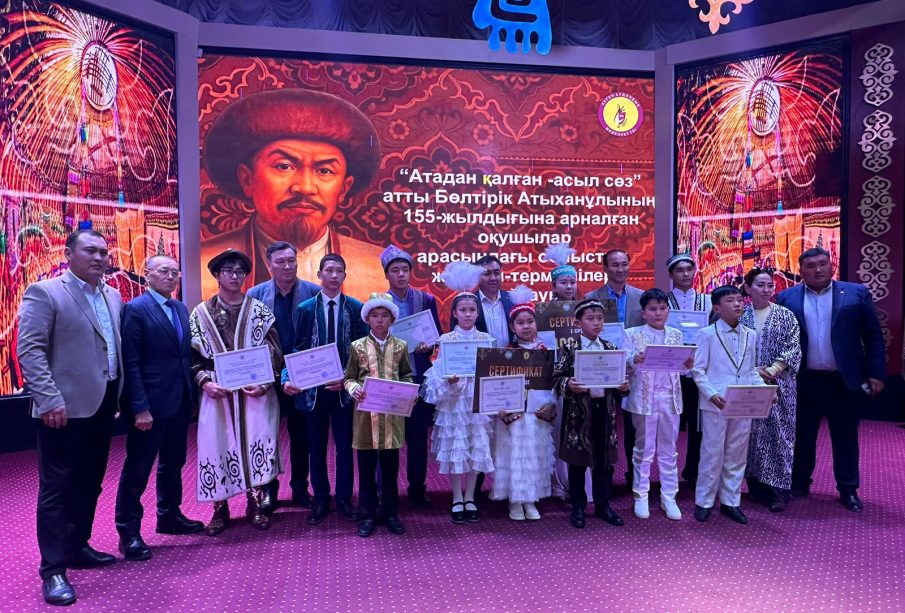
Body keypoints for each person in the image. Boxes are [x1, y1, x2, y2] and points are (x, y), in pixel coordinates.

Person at [17, 230, 122, 606]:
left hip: (103, 403)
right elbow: (30, 350)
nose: (99, 258)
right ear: (68, 253)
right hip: (61, 409)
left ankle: (77, 546)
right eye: (90, 251)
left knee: (90, 482)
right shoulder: (45, 292)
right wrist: (48, 400)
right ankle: (53, 569)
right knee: (57, 489)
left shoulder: (112, 294)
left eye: (103, 252)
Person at [200, 89, 385, 300]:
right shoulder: (202, 266)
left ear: (344, 188)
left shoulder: (379, 271)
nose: (305, 187)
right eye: (284, 166)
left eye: (324, 171)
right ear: (247, 179)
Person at [775, 248, 885, 511]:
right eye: (810, 266)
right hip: (804, 379)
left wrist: (876, 373)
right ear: (801, 271)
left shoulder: (856, 293)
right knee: (802, 435)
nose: (818, 270)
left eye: (822, 264)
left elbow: (873, 336)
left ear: (832, 265)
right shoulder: (787, 297)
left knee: (845, 436)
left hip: (843, 379)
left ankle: (848, 488)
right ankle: (800, 483)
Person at [114, 255, 204, 563]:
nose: (170, 276)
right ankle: (128, 533)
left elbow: (183, 357)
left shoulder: (180, 308)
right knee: (137, 470)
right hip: (149, 407)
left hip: (179, 402)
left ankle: (169, 516)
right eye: (163, 271)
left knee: (173, 463)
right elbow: (131, 362)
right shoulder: (135, 309)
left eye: (175, 272)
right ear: (147, 274)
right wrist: (139, 408)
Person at [190, 248, 283, 535]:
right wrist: (205, 382)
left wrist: (264, 383)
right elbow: (191, 356)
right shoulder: (200, 313)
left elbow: (275, 351)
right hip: (217, 391)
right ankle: (220, 508)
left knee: (256, 441)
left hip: (254, 391)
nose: (234, 276)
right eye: (228, 271)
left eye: (240, 272)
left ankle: (255, 503)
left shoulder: (259, 311)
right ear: (217, 275)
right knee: (217, 444)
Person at [282, 254, 368, 524]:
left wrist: (348, 379)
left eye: (339, 271)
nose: (333, 275)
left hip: (344, 391)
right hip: (313, 391)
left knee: (345, 447)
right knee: (315, 447)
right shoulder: (306, 309)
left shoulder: (356, 308)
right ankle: (320, 498)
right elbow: (296, 348)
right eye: (328, 270)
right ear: (319, 275)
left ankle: (343, 498)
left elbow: (362, 351)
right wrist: (287, 376)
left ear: (344, 276)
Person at [247, 241, 319, 512]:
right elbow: (249, 340)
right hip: (268, 376)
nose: (287, 266)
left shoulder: (313, 292)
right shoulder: (254, 295)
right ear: (269, 265)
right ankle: (268, 490)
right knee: (267, 434)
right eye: (280, 262)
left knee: (302, 435)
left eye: (291, 260)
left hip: (302, 376)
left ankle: (300, 488)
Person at [425, 262, 495, 524]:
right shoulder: (445, 341)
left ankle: (470, 496)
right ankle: (456, 496)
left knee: (476, 447)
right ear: (454, 313)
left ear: (477, 313)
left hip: (477, 403)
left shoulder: (486, 341)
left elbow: (493, 374)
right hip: (454, 403)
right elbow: (435, 377)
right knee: (456, 447)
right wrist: (448, 381)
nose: (467, 314)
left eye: (472, 310)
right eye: (463, 310)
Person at [553, 298, 629, 529]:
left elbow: (620, 381)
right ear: (578, 323)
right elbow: (556, 378)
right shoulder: (570, 348)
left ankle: (603, 505)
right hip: (578, 415)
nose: (596, 323)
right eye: (590, 318)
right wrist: (568, 384)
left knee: (603, 462)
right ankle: (578, 506)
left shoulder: (611, 348)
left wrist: (623, 387)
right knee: (578, 462)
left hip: (605, 413)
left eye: (600, 318)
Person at [691, 285, 765, 525]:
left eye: (740, 300)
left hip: (743, 403)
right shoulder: (707, 334)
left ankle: (731, 502)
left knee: (737, 454)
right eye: (731, 301)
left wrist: (764, 392)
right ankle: (704, 501)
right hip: (717, 403)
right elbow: (698, 370)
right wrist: (711, 394)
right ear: (716, 308)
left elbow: (751, 370)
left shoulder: (750, 334)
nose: (737, 304)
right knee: (712, 453)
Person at [343, 293, 413, 537]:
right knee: (366, 469)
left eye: (384, 315)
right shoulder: (357, 346)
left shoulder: (401, 346)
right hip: (365, 417)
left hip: (392, 418)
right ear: (367, 319)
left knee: (391, 469)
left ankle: (390, 512)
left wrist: (410, 392)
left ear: (392, 319)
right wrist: (354, 389)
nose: (380, 320)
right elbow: (349, 377)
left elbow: (406, 375)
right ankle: (368, 513)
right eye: (375, 315)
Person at [623, 288, 694, 521]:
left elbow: (680, 370)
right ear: (643, 313)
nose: (658, 313)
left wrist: (687, 364)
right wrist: (634, 359)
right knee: (643, 449)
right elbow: (623, 364)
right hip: (644, 398)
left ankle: (669, 496)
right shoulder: (632, 334)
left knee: (669, 449)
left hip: (670, 397)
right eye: (652, 309)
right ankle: (640, 494)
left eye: (662, 308)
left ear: (668, 311)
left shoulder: (675, 335)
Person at [382, 244, 442, 508]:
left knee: (417, 437)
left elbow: (436, 335)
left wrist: (428, 345)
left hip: (418, 377)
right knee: (390, 439)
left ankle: (417, 488)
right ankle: (387, 492)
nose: (401, 274)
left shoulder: (425, 300)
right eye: (395, 270)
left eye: (405, 269)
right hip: (390, 378)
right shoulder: (379, 302)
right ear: (386, 274)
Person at [490, 287, 557, 521]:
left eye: (530, 321)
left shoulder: (546, 352)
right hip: (514, 415)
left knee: (534, 457)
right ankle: (515, 500)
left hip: (537, 414)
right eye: (520, 323)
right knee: (515, 456)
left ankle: (531, 499)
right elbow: (496, 386)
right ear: (512, 327)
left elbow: (553, 382)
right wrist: (500, 406)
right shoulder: (506, 353)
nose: (526, 326)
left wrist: (551, 404)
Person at [740, 268, 801, 512]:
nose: (766, 290)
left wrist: (773, 370)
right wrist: (750, 371)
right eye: (760, 285)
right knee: (750, 436)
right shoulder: (740, 315)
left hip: (779, 386)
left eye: (769, 285)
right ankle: (756, 487)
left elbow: (793, 347)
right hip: (746, 384)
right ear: (748, 288)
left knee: (779, 436)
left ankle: (779, 491)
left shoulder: (785, 316)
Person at [584, 248, 644, 485]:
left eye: (624, 264)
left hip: (633, 370)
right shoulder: (592, 297)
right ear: (605, 268)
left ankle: (633, 474)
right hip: (602, 368)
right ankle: (604, 474)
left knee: (633, 425)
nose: (620, 269)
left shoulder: (641, 297)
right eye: (615, 265)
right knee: (602, 423)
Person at [665, 253, 713, 487]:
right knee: (669, 425)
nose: (685, 274)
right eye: (679, 270)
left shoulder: (708, 301)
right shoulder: (663, 302)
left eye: (689, 269)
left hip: (698, 372)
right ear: (671, 274)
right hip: (671, 372)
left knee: (698, 425)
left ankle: (693, 471)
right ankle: (667, 476)